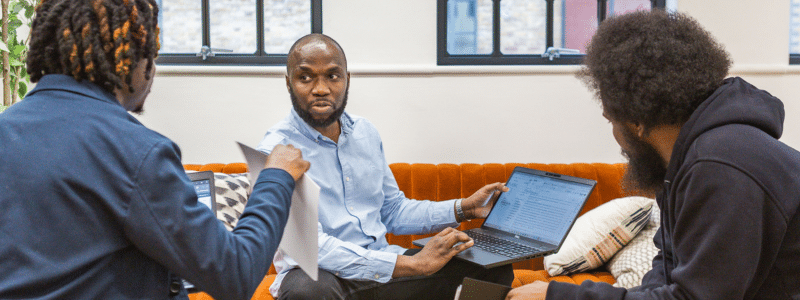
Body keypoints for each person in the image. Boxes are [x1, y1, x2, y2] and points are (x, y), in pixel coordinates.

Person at [0, 1, 310, 299]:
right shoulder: (135, 152)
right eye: (152, 55)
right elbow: (234, 274)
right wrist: (276, 177)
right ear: (133, 58)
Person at [506, 9, 800, 300]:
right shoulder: (685, 160)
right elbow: (669, 263)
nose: (613, 133)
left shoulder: (720, 166)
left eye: (611, 120)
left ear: (637, 121)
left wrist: (559, 296)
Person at [256, 33, 515, 300]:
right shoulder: (275, 152)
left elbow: (392, 210)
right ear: (289, 83)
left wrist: (465, 208)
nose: (321, 88)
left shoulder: (365, 133)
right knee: (306, 292)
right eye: (306, 77)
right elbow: (311, 248)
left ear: (347, 79)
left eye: (333, 76)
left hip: (383, 270)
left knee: (490, 268)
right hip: (323, 277)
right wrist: (413, 264)